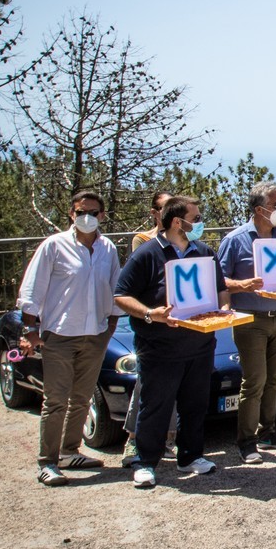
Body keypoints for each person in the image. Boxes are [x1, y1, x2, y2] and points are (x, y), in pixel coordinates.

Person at [113, 196, 224, 489]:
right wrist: (151, 314)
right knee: (156, 405)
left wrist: (223, 309)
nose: (200, 223)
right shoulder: (147, 253)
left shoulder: (203, 252)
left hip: (199, 345)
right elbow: (121, 295)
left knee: (194, 404)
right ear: (178, 222)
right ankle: (145, 462)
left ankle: (190, 456)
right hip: (160, 348)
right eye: (196, 218)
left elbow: (220, 288)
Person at [17, 191, 122, 487]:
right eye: (80, 212)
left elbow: (115, 288)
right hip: (60, 336)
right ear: (71, 215)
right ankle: (47, 461)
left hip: (96, 335)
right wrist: (30, 331)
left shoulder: (108, 248)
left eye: (92, 211)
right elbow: (32, 290)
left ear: (102, 215)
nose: (85, 217)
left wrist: (111, 324)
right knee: (56, 401)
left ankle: (69, 451)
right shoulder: (54, 246)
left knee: (81, 399)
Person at [217, 181, 276, 464]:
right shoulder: (235, 240)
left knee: (274, 379)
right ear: (259, 209)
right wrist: (243, 285)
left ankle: (269, 431)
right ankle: (246, 441)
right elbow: (218, 280)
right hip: (251, 320)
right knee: (254, 381)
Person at [121, 189, 176, 469]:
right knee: (147, 383)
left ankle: (168, 438)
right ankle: (134, 438)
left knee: (175, 383)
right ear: (155, 213)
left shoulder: (187, 243)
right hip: (152, 323)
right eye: (167, 209)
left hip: (179, 323)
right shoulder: (143, 242)